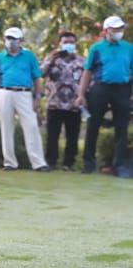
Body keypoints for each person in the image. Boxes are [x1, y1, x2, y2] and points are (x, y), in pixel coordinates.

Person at [77, 16, 133, 178]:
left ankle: (120, 166)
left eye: (121, 29)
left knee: (121, 128)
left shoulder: (129, 48)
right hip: (100, 88)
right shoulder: (97, 48)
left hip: (122, 89)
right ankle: (89, 164)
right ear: (107, 30)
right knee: (93, 126)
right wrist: (81, 94)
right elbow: (87, 72)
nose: (119, 32)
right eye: (115, 29)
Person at [0, 27, 47, 171]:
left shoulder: (29, 56)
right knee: (6, 127)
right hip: (5, 92)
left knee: (31, 126)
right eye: (8, 38)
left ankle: (38, 163)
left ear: (20, 40)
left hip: (24, 93)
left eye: (14, 39)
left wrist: (37, 97)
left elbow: (36, 78)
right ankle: (9, 162)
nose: (11, 41)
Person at [40, 31, 85, 171]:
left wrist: (83, 97)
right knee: (52, 135)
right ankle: (51, 161)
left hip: (74, 103)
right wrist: (50, 60)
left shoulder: (81, 60)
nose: (69, 45)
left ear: (75, 44)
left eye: (72, 42)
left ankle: (69, 163)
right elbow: (41, 73)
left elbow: (87, 80)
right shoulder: (52, 58)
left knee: (72, 136)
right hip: (55, 102)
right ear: (60, 44)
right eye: (66, 42)